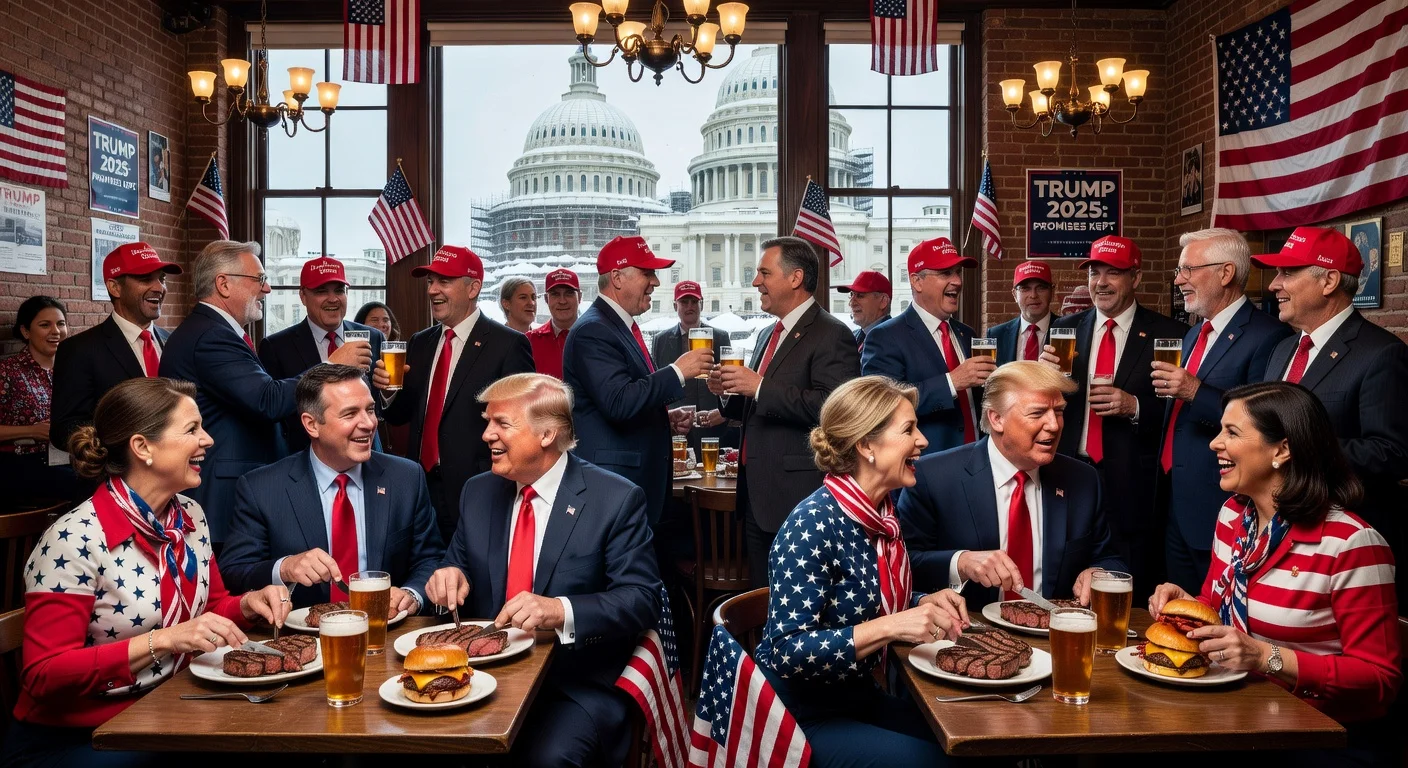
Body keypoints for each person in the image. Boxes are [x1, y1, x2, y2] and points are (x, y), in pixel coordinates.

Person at [3, 377, 291, 767]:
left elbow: (212, 609)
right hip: (78, 737)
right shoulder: (74, 539)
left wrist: (248, 603)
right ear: (143, 447)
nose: (207, 440)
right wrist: (164, 640)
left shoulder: (189, 514)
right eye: (192, 429)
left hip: (168, 710)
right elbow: (43, 674)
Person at [1149, 381, 1400, 765]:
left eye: (1231, 432)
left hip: (1319, 738)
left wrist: (1267, 658)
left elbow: (1379, 680)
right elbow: (1216, 607)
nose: (1215, 443)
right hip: (1238, 717)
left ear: (1282, 449)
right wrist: (1188, 610)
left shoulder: (1352, 543)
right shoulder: (1233, 516)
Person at [424, 373, 661, 768]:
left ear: (547, 434)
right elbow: (456, 563)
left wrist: (559, 610)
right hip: (480, 676)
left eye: (501, 423)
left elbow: (642, 598)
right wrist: (446, 575)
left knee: (545, 760)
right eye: (487, 422)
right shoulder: (478, 492)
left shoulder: (615, 499)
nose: (486, 435)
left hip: (571, 684)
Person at [753, 375, 968, 767]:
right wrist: (894, 625)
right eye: (909, 429)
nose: (923, 441)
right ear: (866, 446)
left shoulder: (882, 515)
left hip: (856, 697)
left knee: (967, 742)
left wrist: (923, 601)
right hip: (799, 716)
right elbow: (787, 651)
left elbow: (867, 598)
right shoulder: (813, 523)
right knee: (940, 762)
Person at [160, 240, 375, 545]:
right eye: (259, 279)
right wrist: (329, 365)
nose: (267, 289)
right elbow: (267, 400)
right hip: (224, 495)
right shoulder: (211, 337)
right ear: (223, 284)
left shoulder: (213, 331)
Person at [1255, 226, 1408, 602]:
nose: (1275, 284)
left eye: (1288, 272)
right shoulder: (1282, 349)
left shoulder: (1381, 354)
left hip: (1340, 550)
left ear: (1329, 281)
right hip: (1276, 534)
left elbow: (1394, 454)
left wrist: (1303, 447)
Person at [897, 361, 1125, 610]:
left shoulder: (1083, 479)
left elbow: (1109, 558)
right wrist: (960, 562)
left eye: (1059, 411)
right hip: (967, 633)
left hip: (1055, 635)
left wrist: (1100, 573)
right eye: (1037, 413)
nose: (1054, 425)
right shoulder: (933, 477)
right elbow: (903, 564)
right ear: (996, 419)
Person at [221, 364, 444, 613]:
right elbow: (234, 571)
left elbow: (430, 559)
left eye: (370, 410)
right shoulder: (262, 488)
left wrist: (411, 595)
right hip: (298, 637)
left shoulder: (406, 478)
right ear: (312, 424)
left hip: (385, 632)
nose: (369, 424)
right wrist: (285, 567)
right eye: (350, 414)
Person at [1039, 235, 1187, 599]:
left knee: (1127, 582)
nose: (1100, 282)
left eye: (1112, 273)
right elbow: (1047, 403)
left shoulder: (1170, 334)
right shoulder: (1066, 330)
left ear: (1135, 278)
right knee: (1068, 574)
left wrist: (1134, 406)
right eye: (1094, 272)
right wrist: (1043, 378)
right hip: (1070, 471)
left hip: (1134, 483)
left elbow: (1180, 413)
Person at [708, 236, 860, 587]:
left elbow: (835, 411)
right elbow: (756, 405)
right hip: (756, 499)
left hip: (798, 497)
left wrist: (757, 385)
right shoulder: (765, 334)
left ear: (795, 278)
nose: (755, 281)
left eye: (764, 273)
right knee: (763, 601)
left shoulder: (832, 334)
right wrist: (728, 393)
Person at [1153, 229, 1291, 592]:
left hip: (1220, 503)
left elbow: (1264, 421)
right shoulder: (1191, 334)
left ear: (1226, 273)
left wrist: (1195, 390)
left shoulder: (1268, 335)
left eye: (1188, 269)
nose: (1179, 279)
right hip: (1174, 501)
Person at [377, 245, 535, 542]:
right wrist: (386, 392)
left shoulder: (508, 345)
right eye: (429, 282)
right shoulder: (420, 342)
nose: (432, 290)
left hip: (479, 489)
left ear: (473, 287)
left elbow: (521, 424)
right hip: (420, 488)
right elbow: (399, 415)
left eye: (444, 281)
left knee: (471, 583)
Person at [563, 236, 713, 527]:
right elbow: (618, 402)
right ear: (617, 278)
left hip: (630, 484)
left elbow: (626, 397)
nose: (656, 282)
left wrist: (663, 418)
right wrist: (678, 371)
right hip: (612, 486)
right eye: (647, 273)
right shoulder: (594, 329)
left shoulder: (620, 326)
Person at [50, 243, 181, 466]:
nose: (159, 287)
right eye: (145, 278)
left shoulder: (174, 342)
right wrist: (128, 448)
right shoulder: (79, 350)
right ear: (114, 287)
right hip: (115, 481)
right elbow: (65, 429)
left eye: (162, 279)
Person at [862, 236, 991, 454]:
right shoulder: (884, 337)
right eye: (945, 273)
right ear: (916, 281)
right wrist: (952, 382)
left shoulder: (966, 333)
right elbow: (882, 404)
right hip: (924, 467)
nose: (958, 281)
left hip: (977, 458)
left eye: (958, 272)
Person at [259, 256, 384, 455]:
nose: (333, 299)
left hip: (366, 457)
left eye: (339, 290)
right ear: (302, 296)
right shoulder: (276, 347)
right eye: (321, 291)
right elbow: (275, 412)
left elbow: (383, 408)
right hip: (304, 461)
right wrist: (331, 366)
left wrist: (387, 391)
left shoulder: (373, 337)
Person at [0, 295, 70, 508]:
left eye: (60, 324)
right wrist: (32, 430)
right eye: (45, 325)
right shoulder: (7, 371)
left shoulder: (74, 367)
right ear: (25, 331)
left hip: (68, 460)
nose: (55, 331)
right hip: (21, 465)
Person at [650, 280, 734, 455]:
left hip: (713, 427)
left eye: (694, 302)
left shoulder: (720, 336)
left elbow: (731, 381)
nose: (690, 306)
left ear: (701, 304)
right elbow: (657, 384)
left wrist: (723, 413)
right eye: (684, 302)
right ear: (675, 306)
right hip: (677, 429)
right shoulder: (661, 340)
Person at [988, 260, 1056, 364]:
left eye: (1041, 288)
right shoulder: (995, 335)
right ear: (1014, 295)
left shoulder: (1070, 332)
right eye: (1025, 289)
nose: (1033, 295)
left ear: (1052, 292)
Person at [525, 268, 581, 379]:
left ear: (579, 297)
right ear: (546, 299)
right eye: (555, 294)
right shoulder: (529, 341)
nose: (562, 301)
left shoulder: (598, 338)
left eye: (569, 294)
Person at [834, 270, 892, 348]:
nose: (851, 303)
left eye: (860, 295)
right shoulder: (853, 337)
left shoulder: (894, 340)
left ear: (883, 301)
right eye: (851, 295)